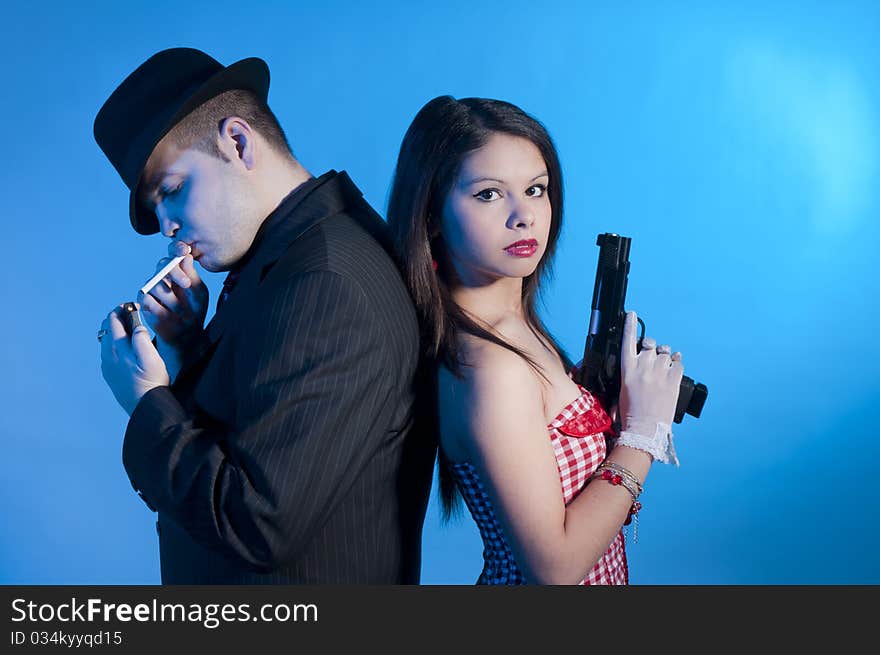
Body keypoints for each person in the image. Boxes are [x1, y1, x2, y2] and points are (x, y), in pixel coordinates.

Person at [93, 48, 435, 583]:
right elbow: (252, 432)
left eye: (173, 190)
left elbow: (256, 523)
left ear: (237, 141)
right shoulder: (287, 259)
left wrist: (144, 402)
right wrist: (189, 348)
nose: (167, 227)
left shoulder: (326, 279)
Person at [386, 96, 684, 585]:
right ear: (433, 214)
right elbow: (555, 569)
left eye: (536, 189)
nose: (523, 216)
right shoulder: (492, 368)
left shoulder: (517, 328)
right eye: (488, 194)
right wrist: (642, 435)